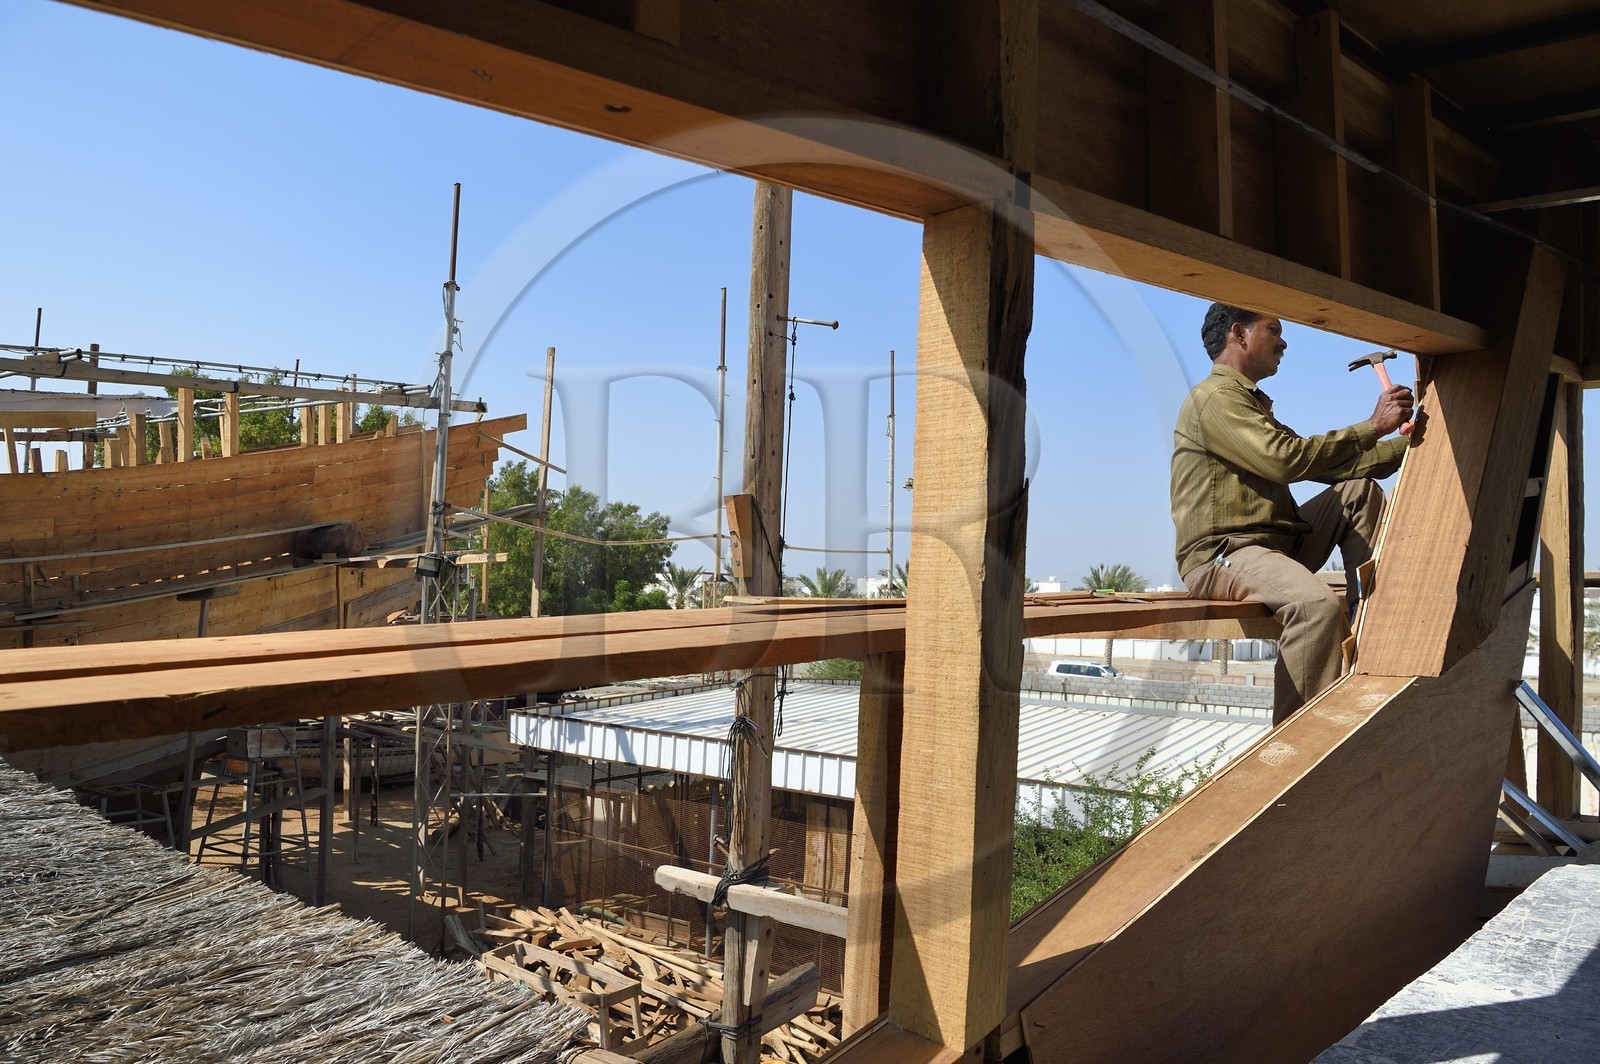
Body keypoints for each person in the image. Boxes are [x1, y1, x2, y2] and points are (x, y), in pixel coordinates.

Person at [1171, 303, 1414, 723]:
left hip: (1278, 548)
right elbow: (1285, 460)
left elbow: (1335, 467)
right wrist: (1373, 426)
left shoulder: (1250, 403)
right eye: (1274, 330)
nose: (1284, 342)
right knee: (1315, 605)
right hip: (1224, 554)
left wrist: (1411, 442)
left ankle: (1370, 622)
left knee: (1356, 491)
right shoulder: (1214, 399)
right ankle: (1297, 742)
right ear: (1239, 334)